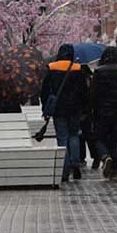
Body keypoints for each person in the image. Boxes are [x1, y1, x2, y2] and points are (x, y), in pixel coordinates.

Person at [39, 44, 89, 181]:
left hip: (58, 110)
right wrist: (85, 109)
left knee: (62, 138)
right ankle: (75, 163)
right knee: (74, 136)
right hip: (75, 110)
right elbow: (84, 92)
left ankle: (65, 169)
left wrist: (45, 108)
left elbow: (45, 92)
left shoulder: (51, 68)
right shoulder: (78, 69)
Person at [90, 47, 117, 178]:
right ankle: (114, 168)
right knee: (116, 139)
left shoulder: (98, 72)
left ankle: (105, 156)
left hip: (101, 111)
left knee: (98, 137)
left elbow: (93, 93)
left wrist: (92, 108)